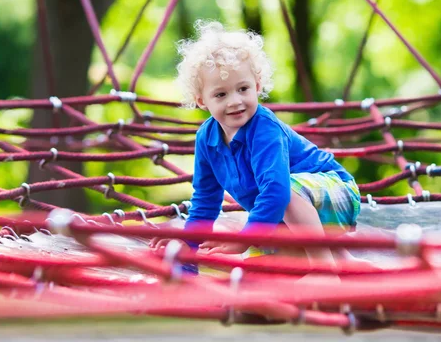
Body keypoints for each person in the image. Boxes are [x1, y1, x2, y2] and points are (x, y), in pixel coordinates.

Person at [153, 20, 361, 270]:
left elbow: (277, 191)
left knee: (284, 192)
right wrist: (189, 243)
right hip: (285, 215)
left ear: (257, 86)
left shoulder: (264, 130)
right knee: (256, 272)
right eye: (220, 94)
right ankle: (350, 267)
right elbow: (206, 199)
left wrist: (245, 239)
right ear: (201, 100)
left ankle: (325, 270)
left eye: (243, 89)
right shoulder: (206, 139)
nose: (235, 101)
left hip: (334, 195)